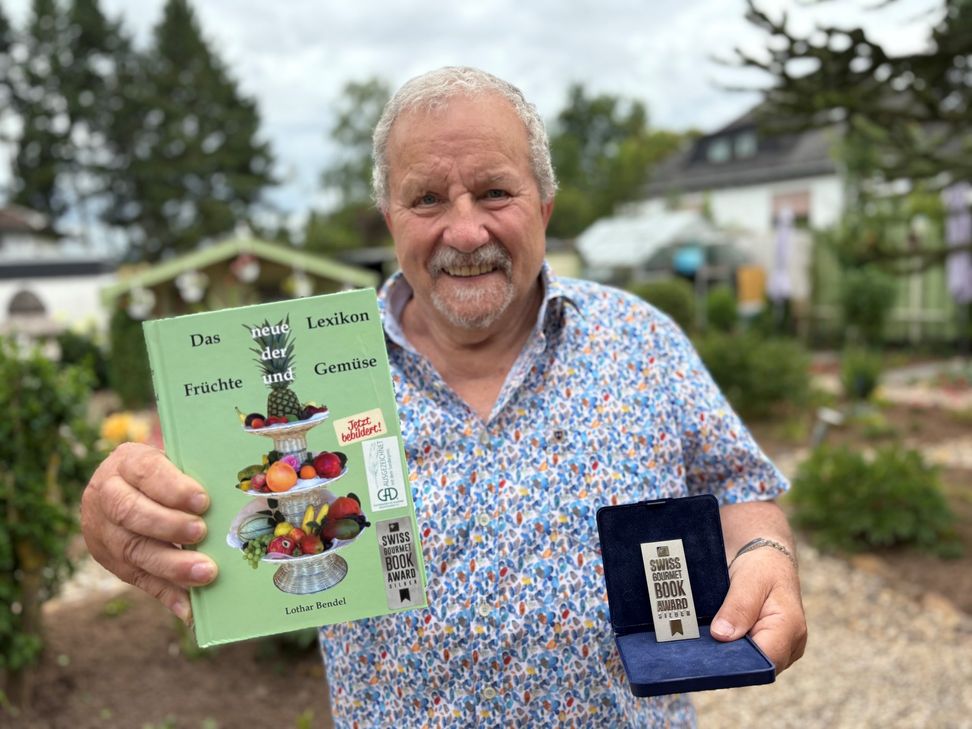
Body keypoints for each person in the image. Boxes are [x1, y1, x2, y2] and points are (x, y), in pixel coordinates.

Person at [81, 66, 806, 727]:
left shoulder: (640, 339)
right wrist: (124, 511)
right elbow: (193, 501)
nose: (464, 231)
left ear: (544, 205)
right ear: (391, 220)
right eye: (426, 198)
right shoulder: (318, 371)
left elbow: (736, 486)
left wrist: (767, 549)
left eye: (494, 191)